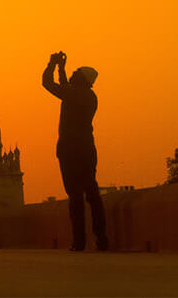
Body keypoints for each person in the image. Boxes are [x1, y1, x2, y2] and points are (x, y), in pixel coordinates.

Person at [43, 51, 108, 251]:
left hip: (70, 150)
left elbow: (48, 84)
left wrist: (51, 64)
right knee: (92, 193)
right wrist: (61, 67)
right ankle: (101, 239)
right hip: (86, 149)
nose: (71, 75)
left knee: (76, 197)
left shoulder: (75, 94)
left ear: (81, 80)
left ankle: (79, 242)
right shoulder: (87, 96)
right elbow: (65, 86)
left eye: (74, 74)